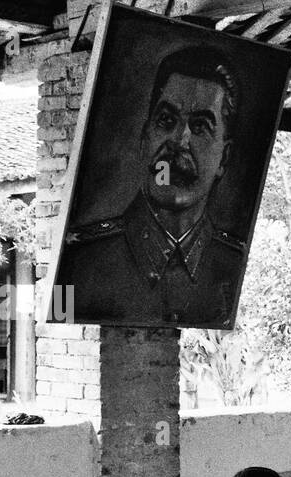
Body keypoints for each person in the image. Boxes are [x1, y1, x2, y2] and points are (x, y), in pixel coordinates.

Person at [58, 47, 248, 328]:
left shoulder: (230, 265)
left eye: (199, 127)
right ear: (144, 137)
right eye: (166, 121)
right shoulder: (79, 266)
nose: (178, 141)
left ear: (224, 158)